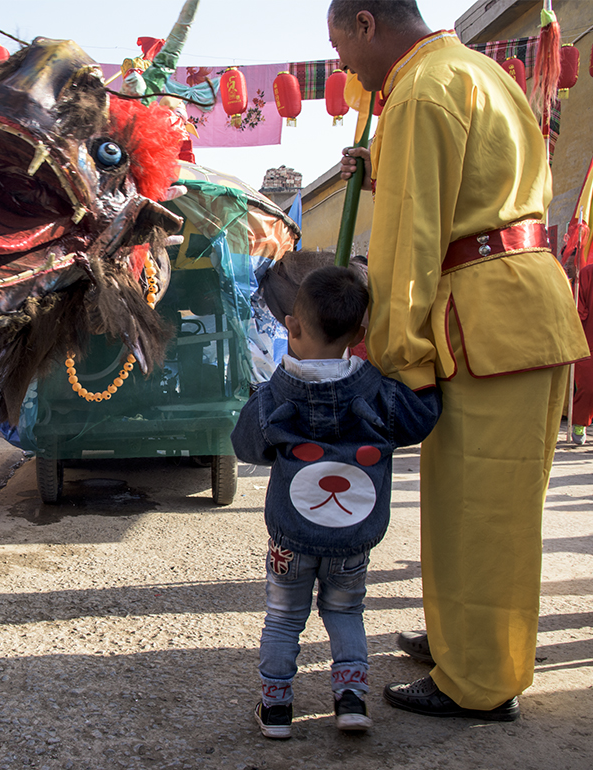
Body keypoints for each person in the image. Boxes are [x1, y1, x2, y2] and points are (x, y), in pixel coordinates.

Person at [330, 0, 589, 720]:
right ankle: (464, 638)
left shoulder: (417, 89)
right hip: (521, 311)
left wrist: (395, 353)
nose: (347, 70)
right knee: (485, 504)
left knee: (482, 510)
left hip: (483, 320)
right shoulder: (478, 71)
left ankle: (478, 679)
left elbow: (409, 237)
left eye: (343, 51)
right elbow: (478, 184)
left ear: (364, 23)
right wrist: (380, 161)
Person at [231, 266, 440, 739]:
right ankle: (351, 701)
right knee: (345, 612)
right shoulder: (381, 394)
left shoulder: (272, 398)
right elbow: (421, 416)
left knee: (284, 618)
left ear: (293, 326)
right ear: (361, 335)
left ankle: (277, 709)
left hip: (290, 539)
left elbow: (246, 447)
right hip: (352, 540)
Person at [571, 263, 593, 445]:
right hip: (588, 340)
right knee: (588, 386)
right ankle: (580, 422)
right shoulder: (587, 273)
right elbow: (579, 309)